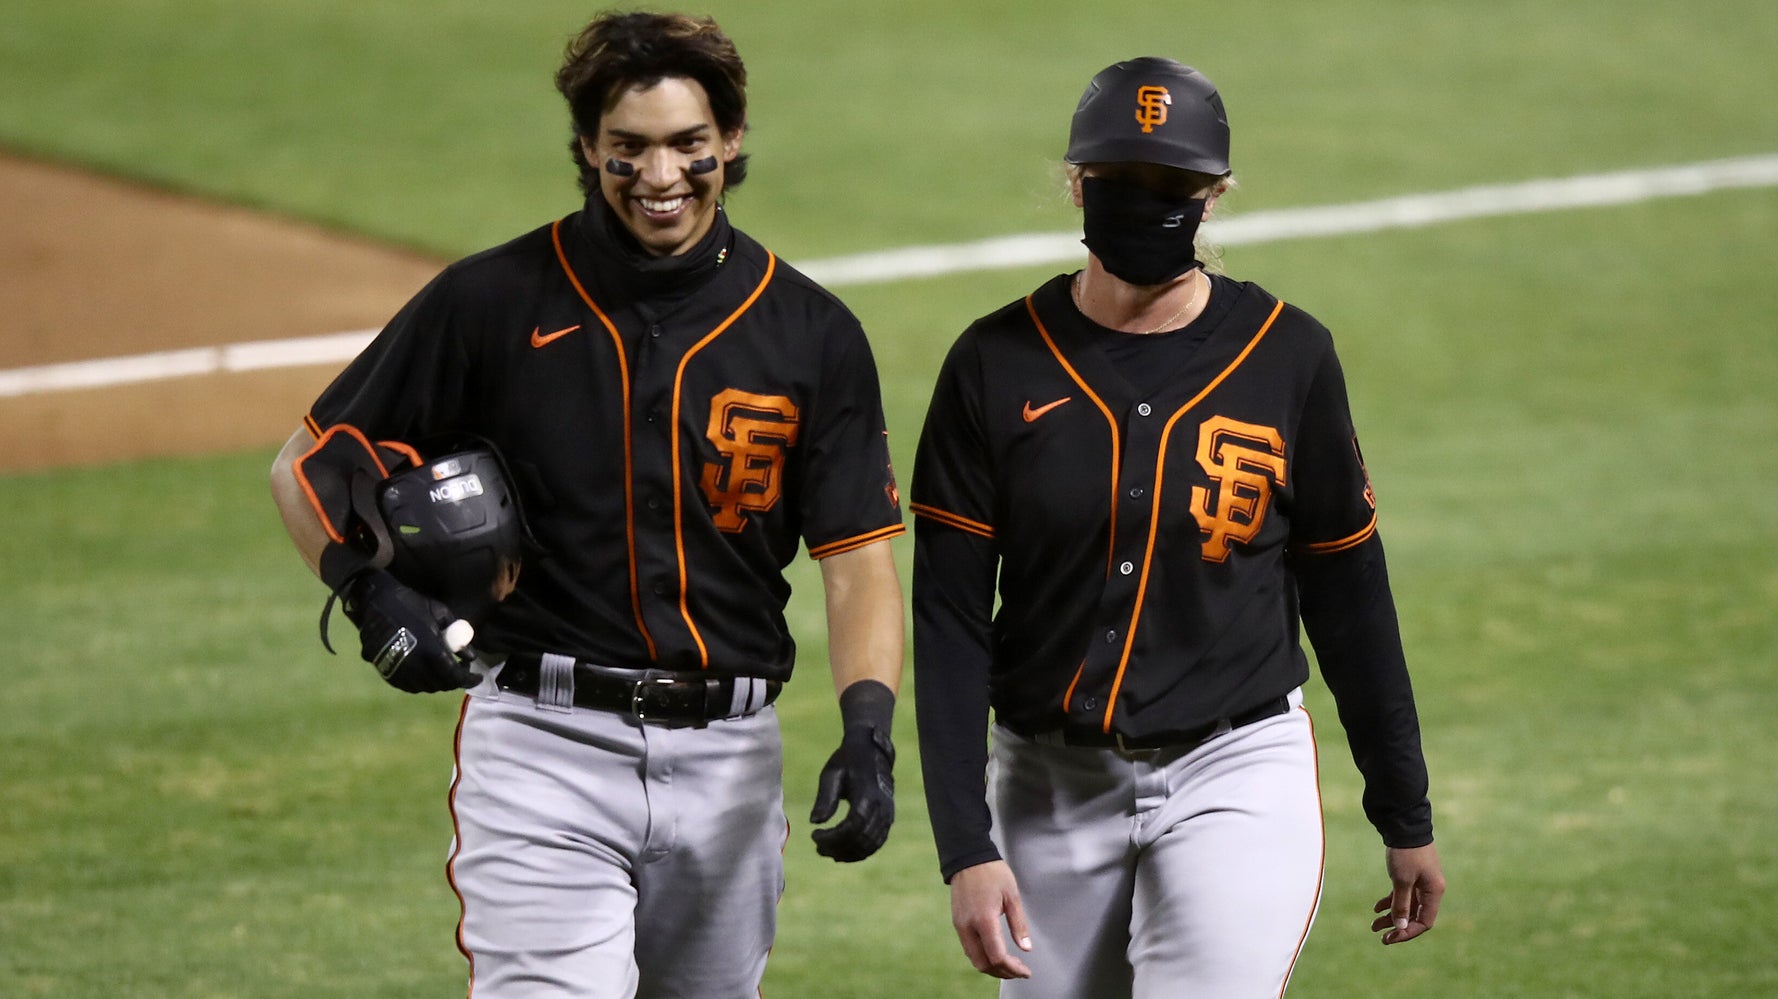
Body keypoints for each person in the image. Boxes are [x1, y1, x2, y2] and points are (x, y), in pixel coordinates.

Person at [267, 11, 906, 997]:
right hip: (541, 748)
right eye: (630, 150)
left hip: (731, 759)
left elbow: (857, 557)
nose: (660, 176)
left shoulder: (810, 333)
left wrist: (867, 728)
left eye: (689, 146)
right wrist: (364, 591)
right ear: (586, 151)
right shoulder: (492, 301)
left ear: (730, 142)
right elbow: (305, 463)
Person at [910, 56, 1446, 997]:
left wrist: (1404, 810)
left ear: (1214, 197)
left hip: (1233, 770)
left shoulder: (1289, 357)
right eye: (1123, 183)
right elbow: (950, 619)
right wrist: (966, 844)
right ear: (1078, 185)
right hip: (1044, 782)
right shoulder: (993, 362)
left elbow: (1349, 594)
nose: (1147, 203)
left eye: (1174, 187)